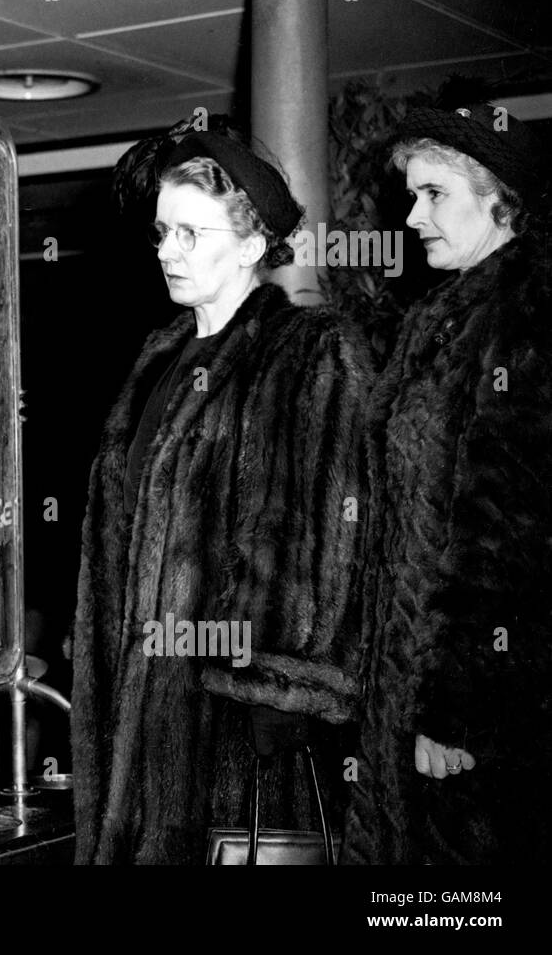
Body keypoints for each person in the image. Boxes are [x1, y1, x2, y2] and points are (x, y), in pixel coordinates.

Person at [71, 129, 373, 865]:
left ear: (251, 243)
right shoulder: (160, 357)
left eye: (191, 233)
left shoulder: (306, 349)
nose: (167, 250)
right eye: (162, 232)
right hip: (133, 712)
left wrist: (276, 684)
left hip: (231, 725)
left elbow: (321, 538)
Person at [342, 104, 552, 865]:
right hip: (407, 687)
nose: (412, 213)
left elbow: (507, 532)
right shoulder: (441, 317)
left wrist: (460, 708)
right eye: (412, 193)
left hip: (476, 711)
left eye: (434, 194)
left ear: (500, 200)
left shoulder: (524, 320)